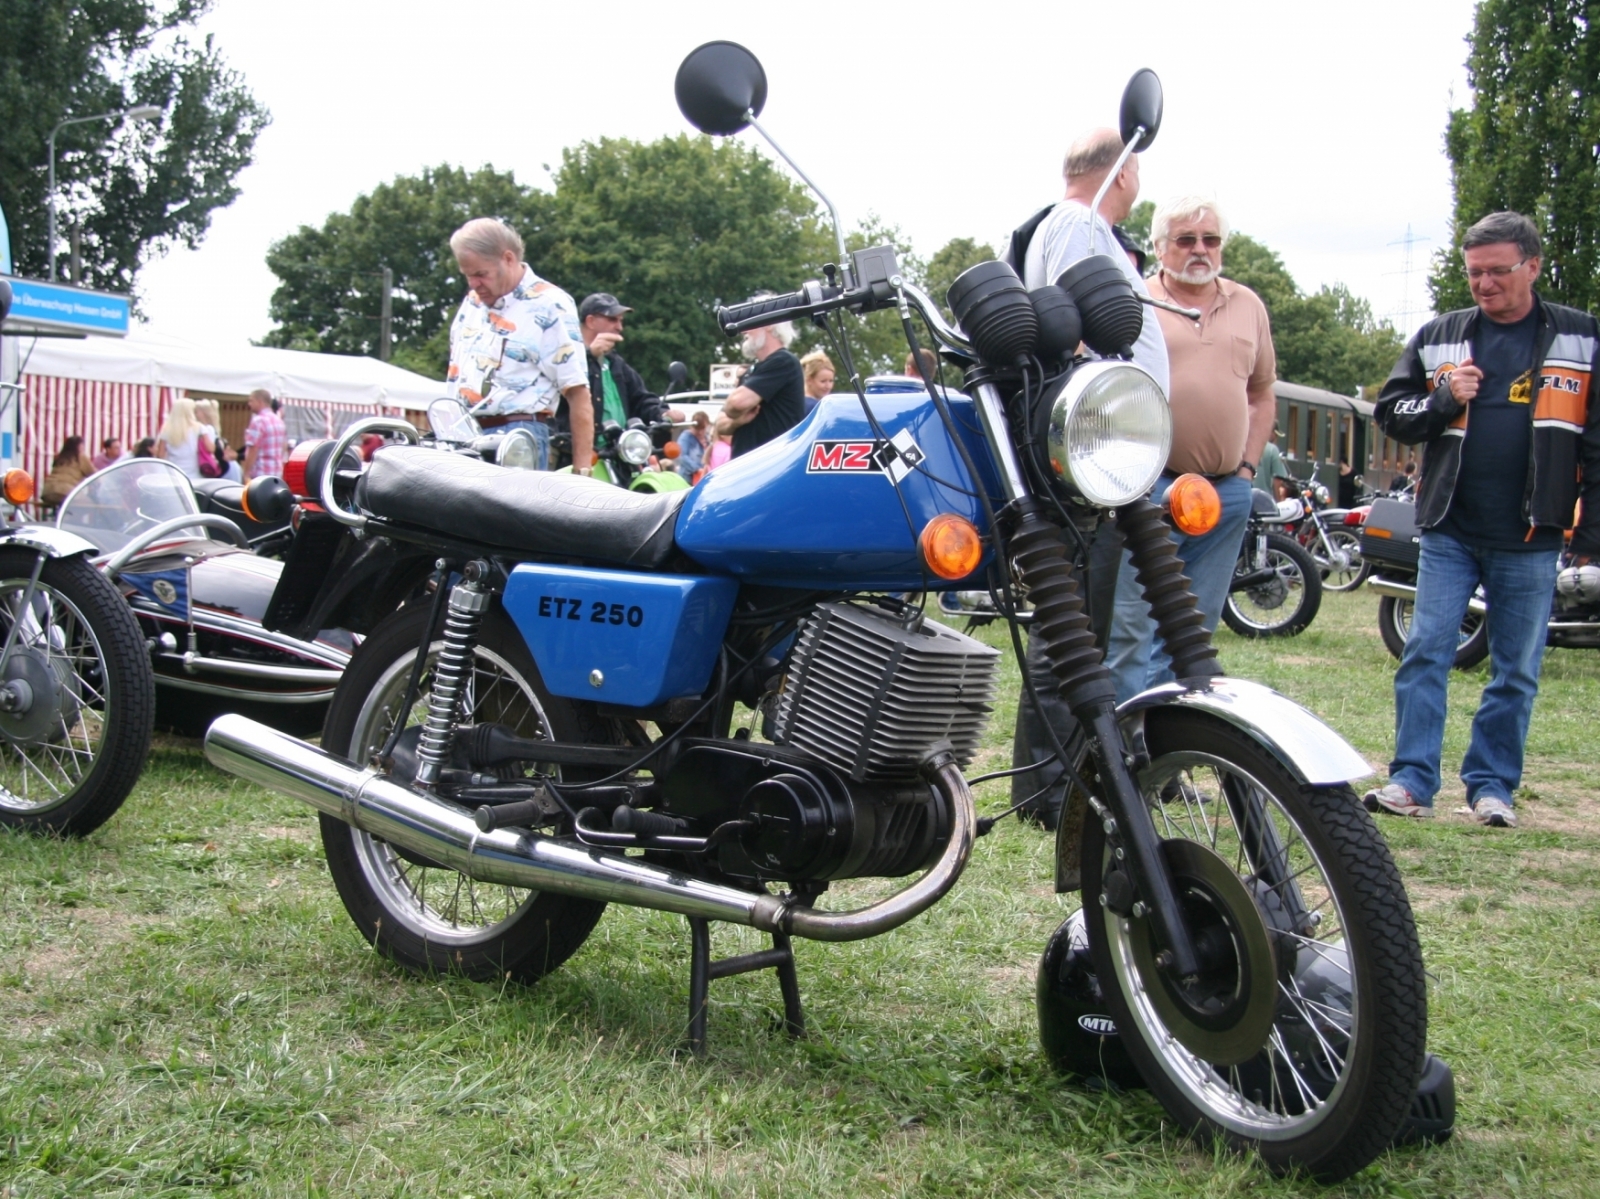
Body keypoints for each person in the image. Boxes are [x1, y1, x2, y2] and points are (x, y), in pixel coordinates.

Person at [1367, 210, 1600, 828]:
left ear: (1533, 266)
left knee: (1516, 670)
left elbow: (1597, 443)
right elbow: (1391, 414)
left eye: (1498, 271)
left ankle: (1492, 788)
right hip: (1450, 528)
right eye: (1474, 273)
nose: (1484, 284)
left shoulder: (1583, 338)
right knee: (1426, 652)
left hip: (1532, 535)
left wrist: (1590, 538)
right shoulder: (1439, 336)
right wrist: (1444, 399)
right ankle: (1411, 782)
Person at [1102, 196, 1276, 702]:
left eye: (1211, 239)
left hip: (1224, 494)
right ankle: (1123, 740)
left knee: (1193, 630)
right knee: (1131, 629)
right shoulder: (1134, 302)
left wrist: (1246, 472)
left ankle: (1166, 737)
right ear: (1159, 247)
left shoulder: (1248, 305)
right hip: (1148, 490)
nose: (1201, 249)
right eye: (1186, 239)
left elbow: (1263, 393)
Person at [1016, 127, 1169, 392]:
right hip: (1106, 410)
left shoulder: (1069, 222)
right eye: (1137, 171)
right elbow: (1069, 332)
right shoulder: (1079, 224)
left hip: (1113, 408)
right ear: (1122, 174)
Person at [446, 217, 592, 474]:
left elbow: (577, 392)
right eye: (467, 275)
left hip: (518, 439)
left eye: (481, 274)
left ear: (508, 259)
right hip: (461, 437)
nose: (473, 284)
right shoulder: (471, 304)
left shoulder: (550, 304)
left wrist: (582, 473)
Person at [564, 293, 680, 464]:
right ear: (590, 321)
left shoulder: (615, 363)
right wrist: (589, 356)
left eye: (620, 321)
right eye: (612, 319)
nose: (619, 327)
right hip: (577, 456)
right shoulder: (566, 357)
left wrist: (662, 412)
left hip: (620, 455)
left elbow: (641, 398)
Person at [715, 306, 805, 456]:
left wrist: (734, 412)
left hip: (773, 463)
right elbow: (719, 425)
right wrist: (737, 421)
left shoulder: (784, 361)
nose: (743, 331)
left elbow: (735, 403)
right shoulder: (753, 371)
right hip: (749, 464)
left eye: (749, 323)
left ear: (769, 324)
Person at [153, 398, 206, 481]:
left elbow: (160, 455)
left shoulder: (166, 429)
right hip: (194, 475)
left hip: (172, 474)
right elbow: (210, 448)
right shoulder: (199, 428)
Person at [241, 388, 286, 483]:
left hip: (260, 474)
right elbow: (283, 447)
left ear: (259, 402)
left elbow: (253, 449)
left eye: (251, 401)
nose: (249, 404)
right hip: (276, 473)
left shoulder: (258, 421)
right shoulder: (279, 421)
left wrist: (246, 473)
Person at [42, 436, 96, 506]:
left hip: (48, 491)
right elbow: (93, 474)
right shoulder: (80, 457)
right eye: (82, 445)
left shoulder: (60, 457)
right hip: (66, 492)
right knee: (91, 505)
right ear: (79, 446)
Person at [676, 411, 712, 481]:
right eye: (697, 429)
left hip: (702, 476)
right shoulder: (686, 437)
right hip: (687, 477)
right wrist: (697, 469)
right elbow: (682, 456)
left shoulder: (707, 438)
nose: (700, 432)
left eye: (703, 429)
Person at [801, 350, 835, 415]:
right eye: (823, 381)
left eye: (831, 381)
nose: (828, 386)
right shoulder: (815, 407)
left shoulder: (798, 403)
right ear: (809, 380)